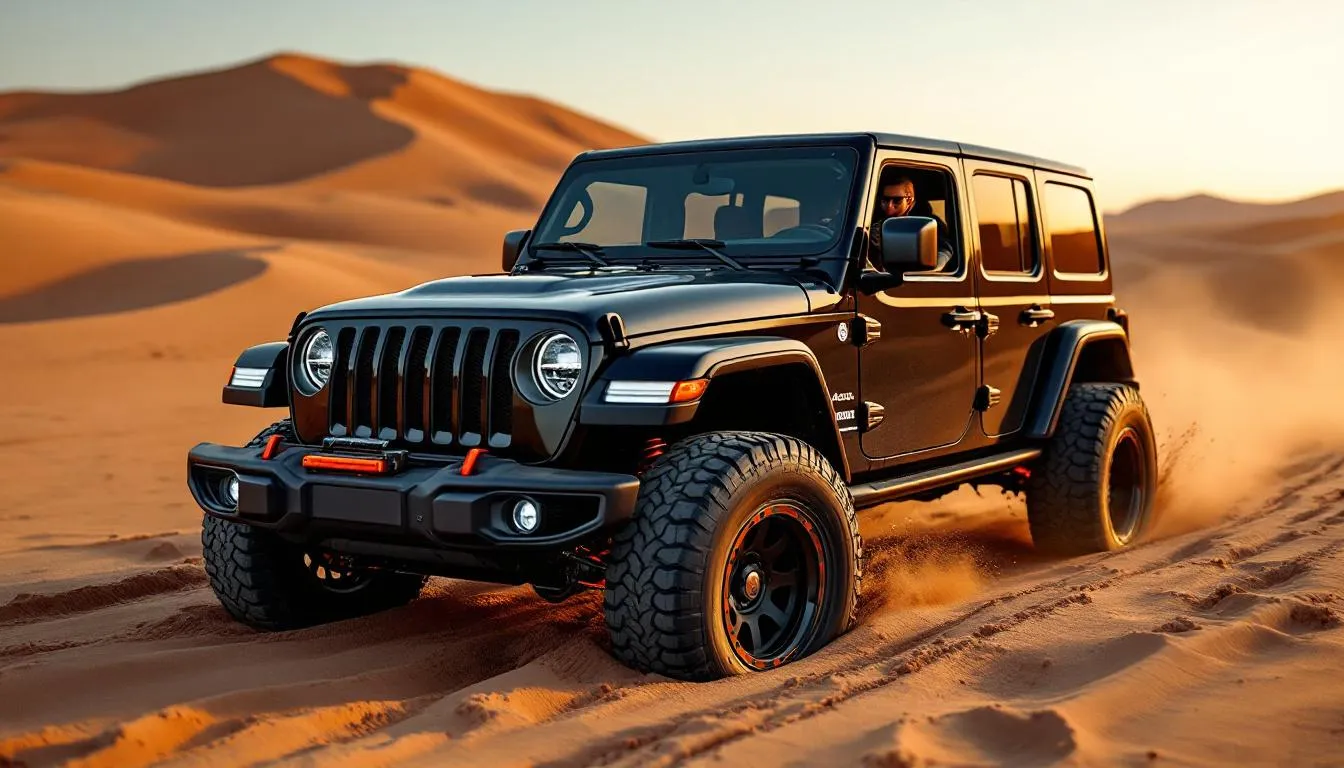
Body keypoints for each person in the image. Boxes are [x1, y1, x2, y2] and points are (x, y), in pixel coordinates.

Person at [869, 175, 954, 271]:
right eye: (885, 200)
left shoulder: (928, 225)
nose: (889, 206)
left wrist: (925, 272)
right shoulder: (875, 221)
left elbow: (944, 252)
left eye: (897, 200)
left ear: (909, 199)